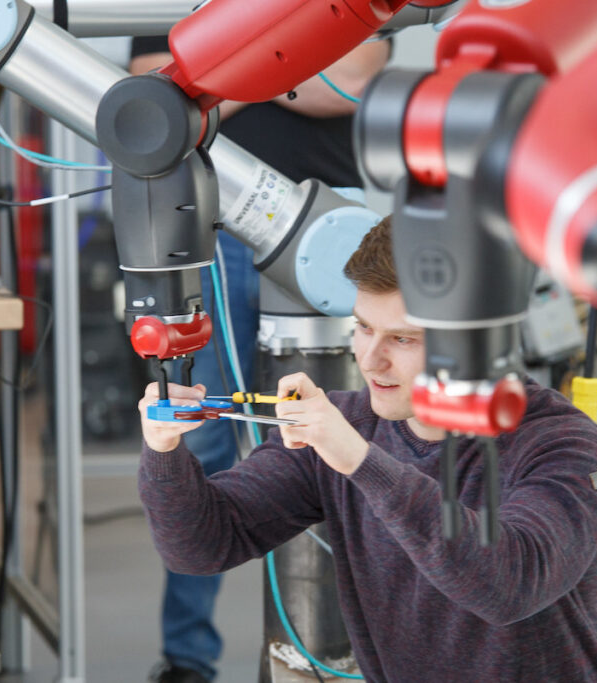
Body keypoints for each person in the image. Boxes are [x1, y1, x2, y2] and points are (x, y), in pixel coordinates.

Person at [138, 216, 597, 682]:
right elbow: (200, 547)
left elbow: (507, 587)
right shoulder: (344, 426)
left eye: (403, 338)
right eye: (364, 327)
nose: (370, 360)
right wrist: (164, 451)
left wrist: (360, 461)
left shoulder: (565, 447)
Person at [129, 36, 391, 683]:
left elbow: (354, 78)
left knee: (336, 440)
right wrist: (291, 64)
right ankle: (190, 659)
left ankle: (345, 652)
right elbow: (147, 93)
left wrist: (221, 80)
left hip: (328, 222)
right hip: (216, 222)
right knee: (200, 440)